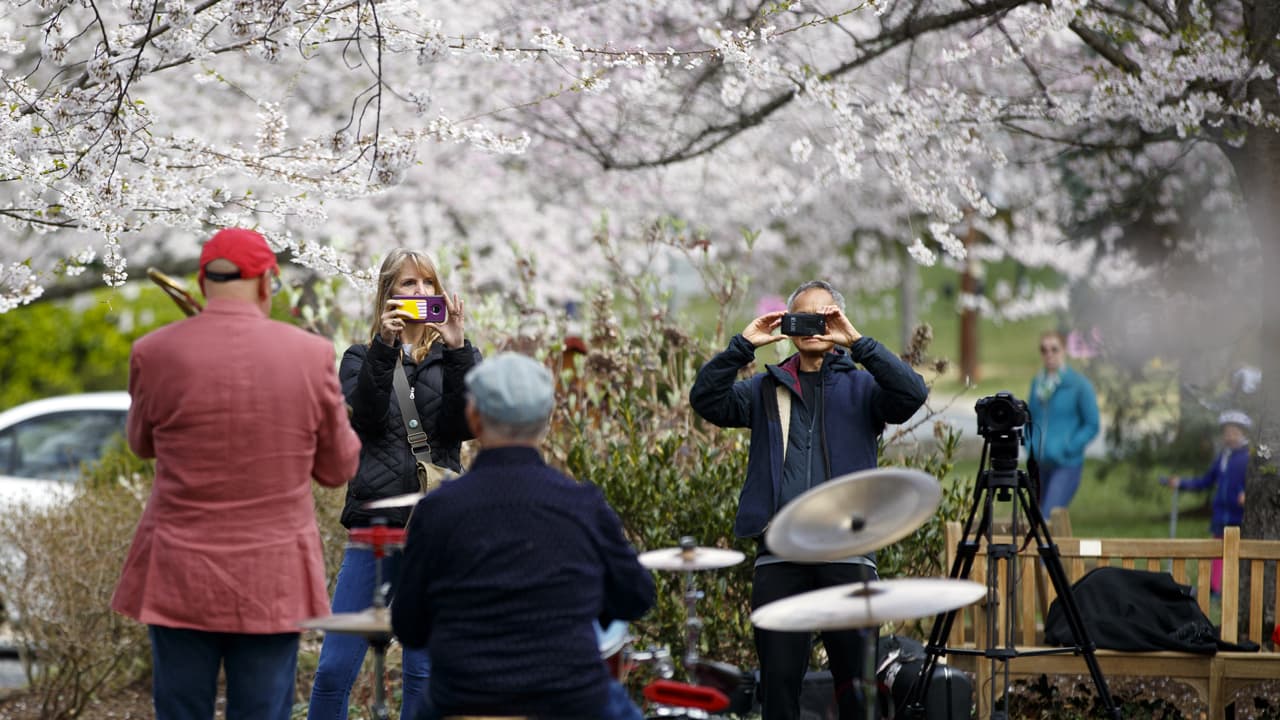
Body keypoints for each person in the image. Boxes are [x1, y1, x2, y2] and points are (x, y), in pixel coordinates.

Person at [111, 227, 362, 720]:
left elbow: (141, 444)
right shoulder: (311, 355)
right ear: (268, 282)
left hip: (178, 570)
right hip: (272, 574)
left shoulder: (154, 352)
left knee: (180, 711)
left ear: (203, 283)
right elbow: (337, 469)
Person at [689, 280, 928, 720]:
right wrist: (744, 345)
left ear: (837, 320)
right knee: (778, 690)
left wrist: (858, 343)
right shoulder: (766, 389)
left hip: (848, 552)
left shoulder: (863, 389)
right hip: (781, 555)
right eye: (804, 317)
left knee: (857, 689)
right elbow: (706, 399)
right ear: (788, 324)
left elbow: (912, 395)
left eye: (825, 316)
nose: (814, 326)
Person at [392, 352, 655, 720]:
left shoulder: (438, 511)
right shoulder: (583, 506)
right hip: (573, 703)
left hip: (462, 704)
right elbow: (637, 598)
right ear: (546, 420)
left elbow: (409, 628)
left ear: (474, 417)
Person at [309, 248, 481, 720]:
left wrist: (459, 347)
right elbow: (362, 416)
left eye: (428, 284)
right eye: (408, 284)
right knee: (333, 669)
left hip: (433, 531)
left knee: (422, 671)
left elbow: (463, 425)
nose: (420, 294)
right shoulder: (359, 357)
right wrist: (385, 350)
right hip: (373, 530)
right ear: (388, 293)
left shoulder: (457, 355)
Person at [1164, 410, 1251, 596]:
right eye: (1227, 432)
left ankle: (1236, 589)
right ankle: (1215, 588)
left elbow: (1256, 485)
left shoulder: (1248, 458)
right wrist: (1181, 483)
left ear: (1243, 433)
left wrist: (1248, 496)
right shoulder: (1223, 457)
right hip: (1221, 514)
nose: (1230, 436)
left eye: (1235, 432)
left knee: (1240, 552)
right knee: (1217, 551)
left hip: (1239, 515)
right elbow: (1206, 481)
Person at [1024, 330, 1100, 516]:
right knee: (1034, 518)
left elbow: (1092, 424)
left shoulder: (1079, 385)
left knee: (1049, 515)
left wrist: (1069, 446)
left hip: (1066, 463)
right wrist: (1030, 445)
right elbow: (1029, 418)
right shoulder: (1038, 383)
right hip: (1039, 464)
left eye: (1054, 349)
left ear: (1064, 350)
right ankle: (1058, 546)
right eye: (1044, 350)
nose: (1049, 354)